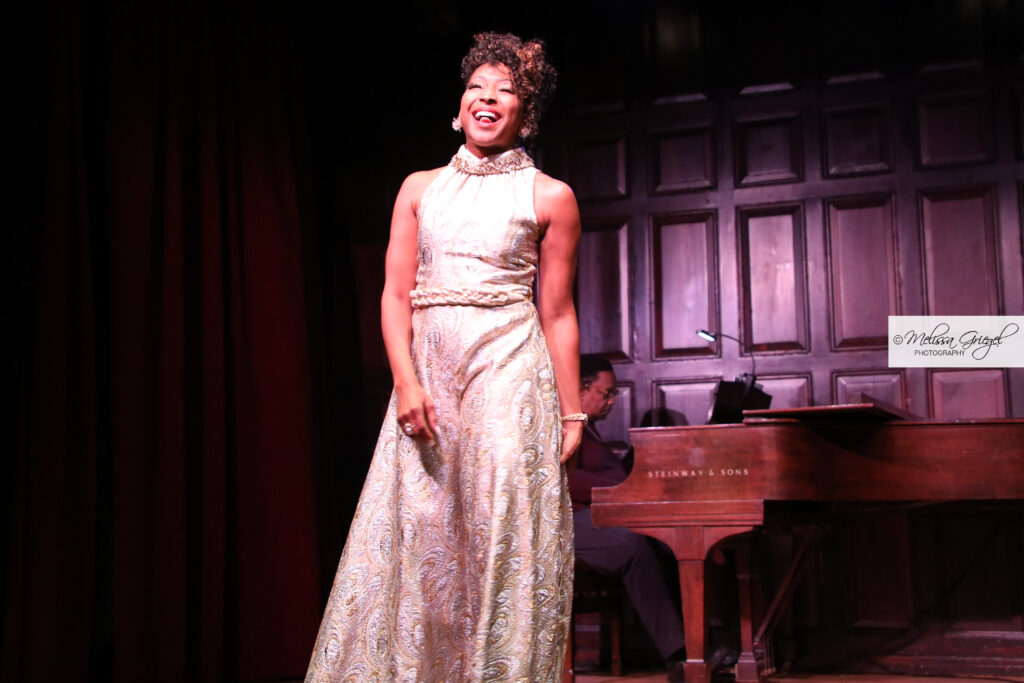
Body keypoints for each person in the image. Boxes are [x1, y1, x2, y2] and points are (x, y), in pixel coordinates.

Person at [306, 33, 584, 682]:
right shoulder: (418, 189)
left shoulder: (551, 196)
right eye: (476, 88)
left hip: (509, 373)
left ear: (526, 114)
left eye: (506, 91)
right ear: (459, 107)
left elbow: (558, 313)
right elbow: (394, 294)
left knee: (501, 533)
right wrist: (405, 382)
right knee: (425, 535)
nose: (488, 99)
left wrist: (572, 413)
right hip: (431, 380)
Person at [568, 355, 688, 683]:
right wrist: (622, 487)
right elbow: (562, 478)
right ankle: (678, 654)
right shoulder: (561, 424)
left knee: (667, 540)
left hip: (596, 516)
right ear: (581, 388)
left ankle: (697, 646)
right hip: (571, 523)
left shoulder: (588, 429)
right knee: (630, 545)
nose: (611, 401)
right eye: (606, 393)